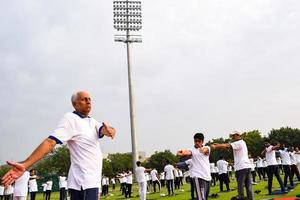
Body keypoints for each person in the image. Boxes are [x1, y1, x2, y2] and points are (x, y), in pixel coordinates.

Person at [1, 91, 116, 200]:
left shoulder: (93, 122)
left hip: (93, 181)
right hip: (83, 181)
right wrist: (25, 164)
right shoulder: (71, 119)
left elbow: (105, 130)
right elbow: (50, 142)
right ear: (75, 104)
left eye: (90, 99)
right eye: (84, 99)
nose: (88, 101)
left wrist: (110, 130)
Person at [211, 131, 254, 200]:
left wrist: (216, 146)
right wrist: (219, 145)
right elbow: (227, 147)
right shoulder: (242, 142)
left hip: (241, 167)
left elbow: (228, 145)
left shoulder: (238, 143)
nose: (232, 137)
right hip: (247, 166)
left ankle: (241, 198)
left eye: (233, 136)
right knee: (248, 186)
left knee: (240, 186)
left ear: (238, 135)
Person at [177, 133, 211, 200]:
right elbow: (187, 152)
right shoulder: (192, 150)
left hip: (207, 177)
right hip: (198, 177)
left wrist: (200, 148)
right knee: (201, 198)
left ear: (202, 141)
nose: (197, 142)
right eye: (195, 141)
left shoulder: (207, 148)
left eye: (199, 141)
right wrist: (181, 153)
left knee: (205, 197)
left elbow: (204, 151)